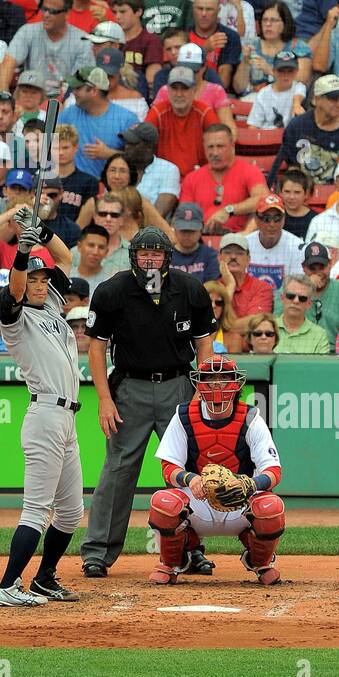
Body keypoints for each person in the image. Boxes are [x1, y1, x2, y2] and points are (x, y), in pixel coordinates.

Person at [80, 227, 215, 578]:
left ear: (167, 257)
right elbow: (96, 347)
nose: (150, 259)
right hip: (130, 388)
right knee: (119, 470)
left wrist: (202, 389)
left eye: (156, 253)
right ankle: (97, 551)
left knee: (188, 471)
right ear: (133, 256)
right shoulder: (112, 290)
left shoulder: (189, 288)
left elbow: (204, 344)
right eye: (144, 253)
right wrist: (104, 399)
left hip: (179, 384)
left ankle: (192, 549)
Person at [0, 212, 85, 606]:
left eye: (42, 279)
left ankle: (45, 577)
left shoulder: (49, 307)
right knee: (36, 511)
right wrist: (23, 249)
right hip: (45, 415)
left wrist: (43, 228)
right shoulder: (15, 317)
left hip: (67, 419)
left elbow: (66, 259)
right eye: (34, 279)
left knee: (71, 512)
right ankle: (8, 585)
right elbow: (12, 290)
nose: (41, 284)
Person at [149, 355, 285, 586]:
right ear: (199, 384)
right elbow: (168, 468)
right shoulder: (183, 415)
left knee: (271, 507)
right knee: (164, 502)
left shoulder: (251, 417)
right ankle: (174, 561)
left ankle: (259, 560)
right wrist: (191, 479)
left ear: (236, 384)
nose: (217, 385)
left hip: (239, 502)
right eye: (210, 379)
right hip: (198, 501)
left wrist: (250, 484)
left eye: (224, 378)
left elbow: (273, 471)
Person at [274, 274, 332, 354]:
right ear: (282, 298)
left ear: (309, 304)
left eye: (302, 298)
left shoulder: (319, 335)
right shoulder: (267, 330)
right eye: (291, 296)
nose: (296, 301)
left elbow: (320, 366)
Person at [169, 202, 220, 284]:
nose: (187, 235)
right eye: (183, 230)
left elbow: (212, 287)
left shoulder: (210, 255)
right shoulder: (165, 256)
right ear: (174, 229)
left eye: (192, 231)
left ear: (201, 229)